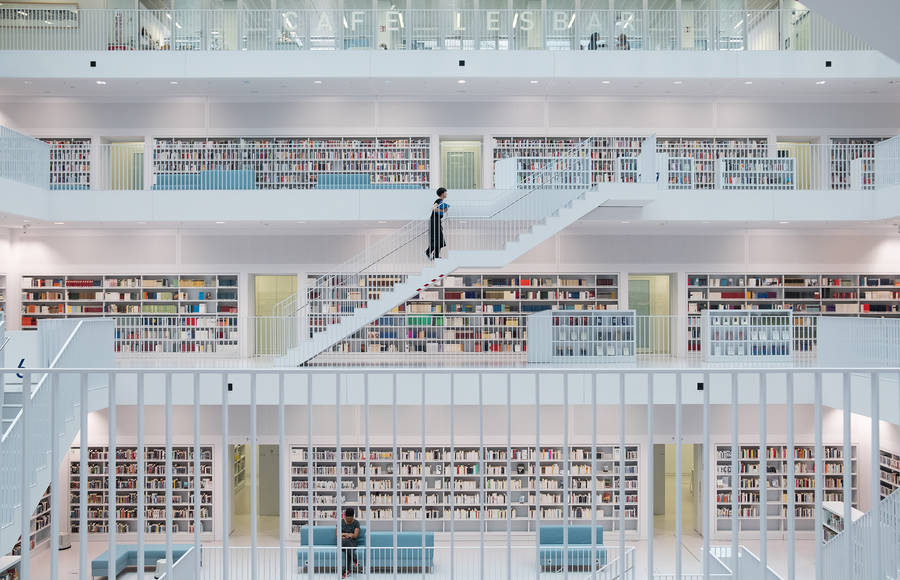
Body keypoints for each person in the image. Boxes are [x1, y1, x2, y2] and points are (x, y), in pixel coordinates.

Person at [425, 187, 449, 260]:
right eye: (445, 192)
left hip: (437, 222)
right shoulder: (438, 200)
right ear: (442, 193)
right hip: (434, 221)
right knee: (438, 239)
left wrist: (444, 209)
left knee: (441, 241)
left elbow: (444, 211)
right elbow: (434, 208)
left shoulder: (442, 202)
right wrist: (442, 209)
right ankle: (428, 252)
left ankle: (435, 255)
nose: (446, 193)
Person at [339, 507, 361, 578]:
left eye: (350, 518)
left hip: (352, 543)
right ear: (345, 516)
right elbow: (338, 535)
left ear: (353, 516)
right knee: (346, 543)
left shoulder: (356, 523)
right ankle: (355, 560)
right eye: (347, 518)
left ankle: (346, 571)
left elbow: (355, 536)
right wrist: (349, 535)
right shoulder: (340, 522)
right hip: (342, 542)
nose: (349, 520)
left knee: (347, 548)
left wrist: (344, 534)